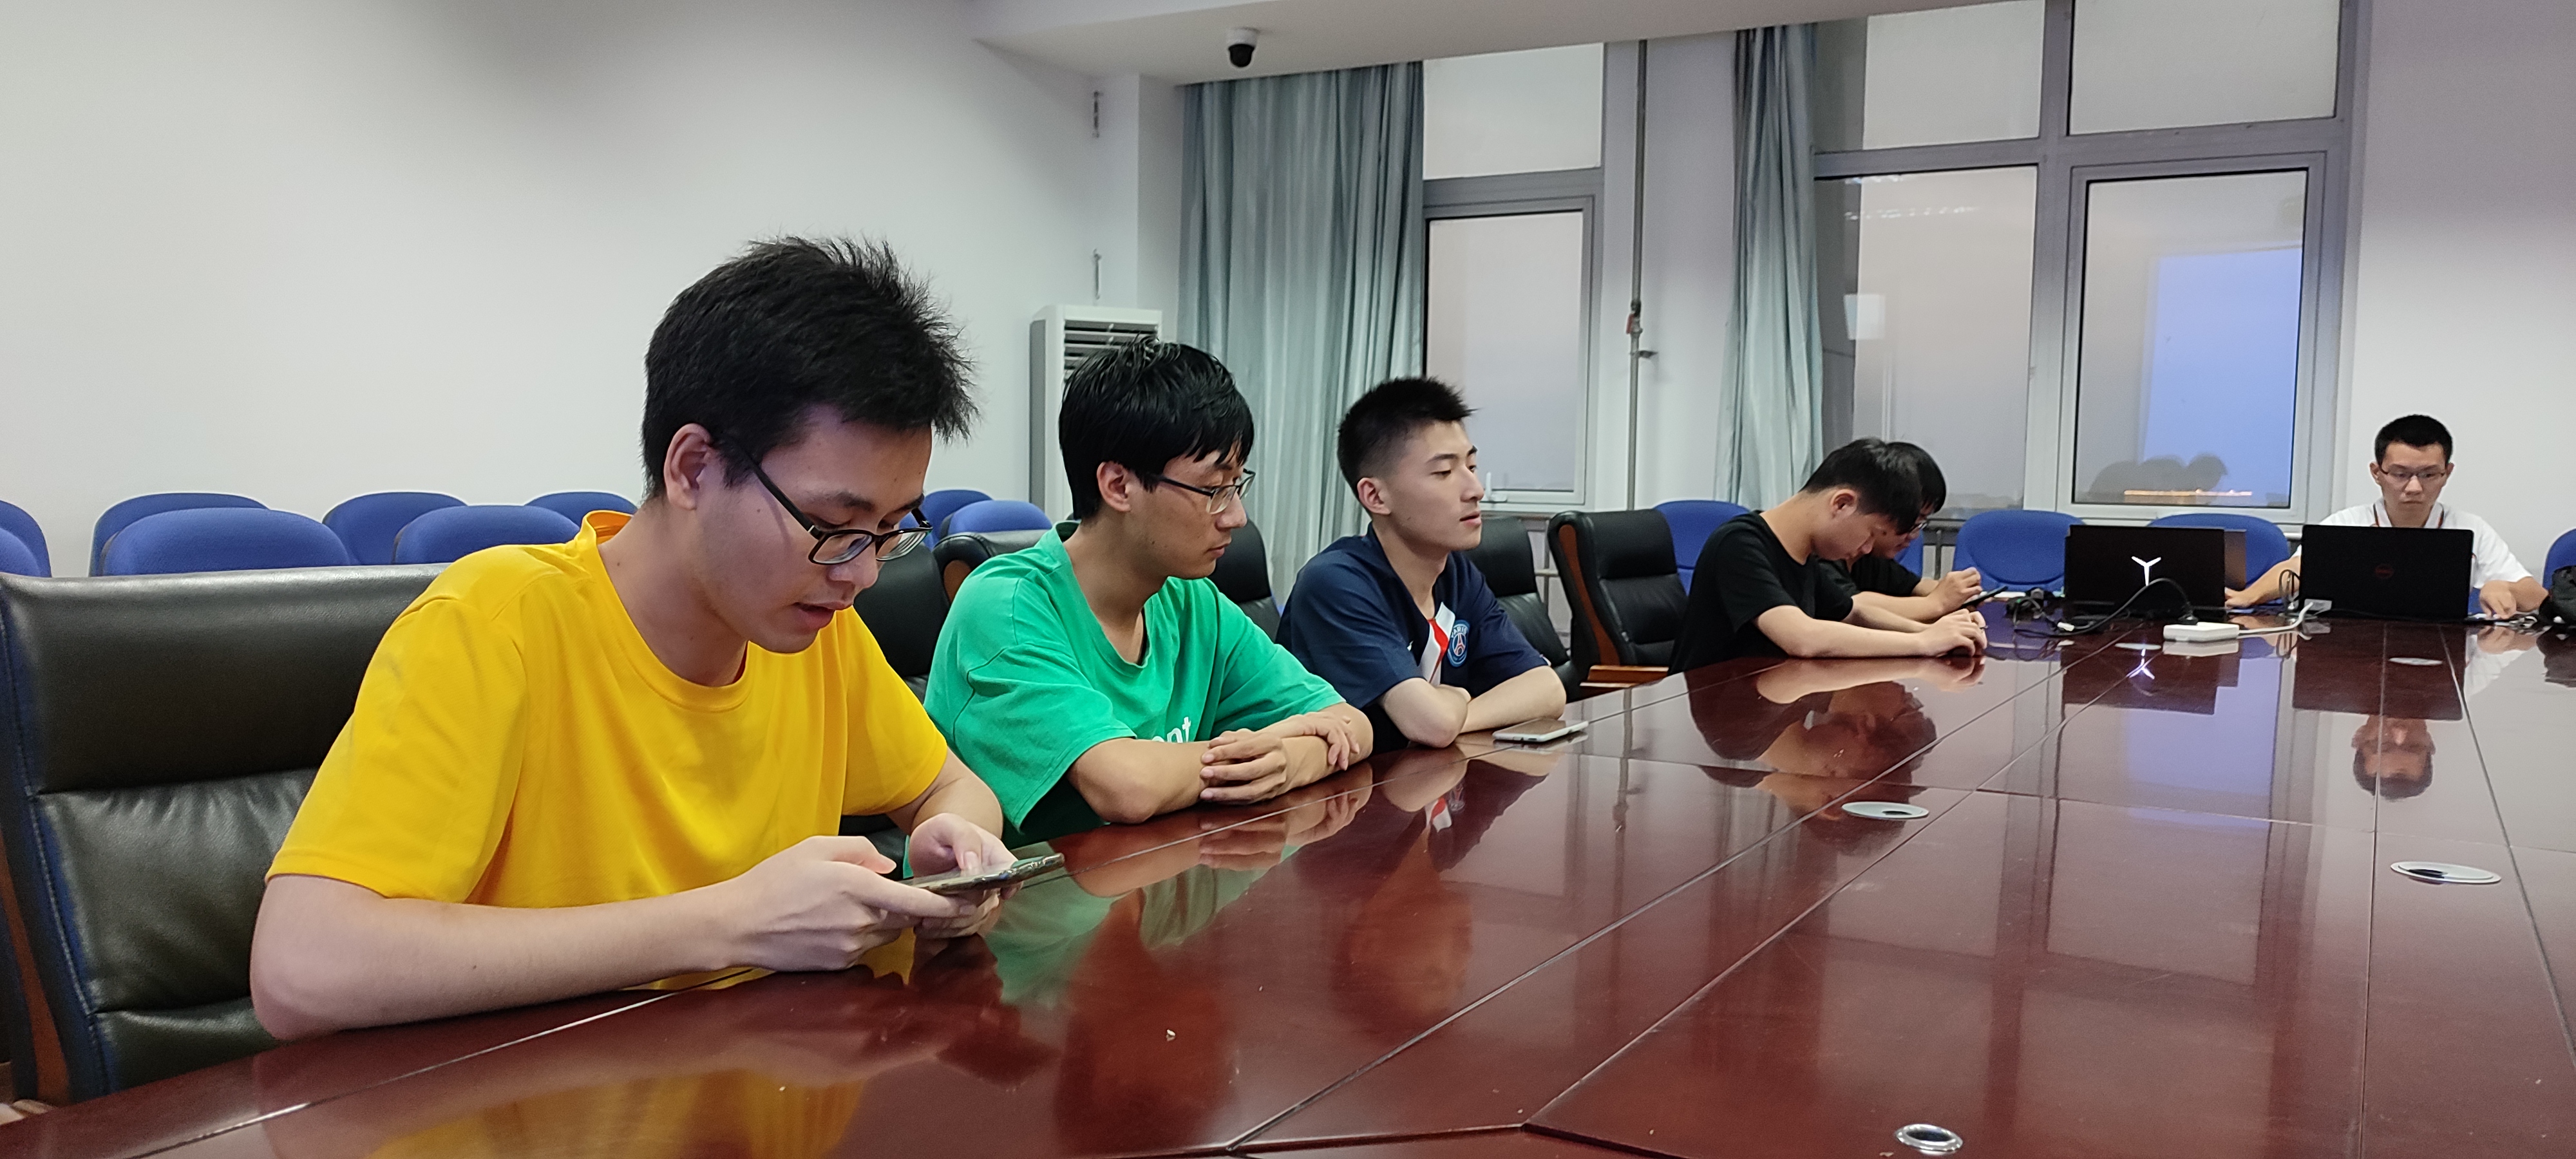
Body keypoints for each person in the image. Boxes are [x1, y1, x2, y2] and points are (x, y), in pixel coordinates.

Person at [251, 239, 1018, 1041]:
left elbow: (952, 789)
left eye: (890, 530)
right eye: (832, 526)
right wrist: (733, 923)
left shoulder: (814, 628)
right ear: (691, 468)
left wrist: (956, 842)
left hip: (760, 1079)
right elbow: (302, 968)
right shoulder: (497, 623)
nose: (860, 574)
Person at [925, 341, 1370, 842]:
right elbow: (1127, 787)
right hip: (1025, 890)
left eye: (1237, 486)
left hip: (1160, 876)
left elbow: (1351, 724)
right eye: (1214, 490)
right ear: (1119, 486)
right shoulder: (1005, 606)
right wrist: (1283, 738)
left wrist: (1285, 758)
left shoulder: (1192, 602)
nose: (1236, 517)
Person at [1278, 377, 1566, 753]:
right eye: (1444, 473)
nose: (1475, 490)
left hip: (1423, 778)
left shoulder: (1457, 573)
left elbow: (1547, 689)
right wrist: (1449, 708)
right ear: (1375, 496)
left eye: (1472, 466)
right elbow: (1428, 723)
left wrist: (1457, 709)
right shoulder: (1335, 582)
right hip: (1337, 787)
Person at [1668, 439, 1989, 670]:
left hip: (1767, 704)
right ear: (1842, 504)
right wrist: (1924, 643)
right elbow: (1803, 637)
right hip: (1719, 716)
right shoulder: (1740, 544)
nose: (1867, 549)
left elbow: (1853, 613)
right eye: (1871, 534)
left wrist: (1937, 631)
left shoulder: (1804, 555)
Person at [2230, 414, 2544, 615]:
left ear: (2447, 473)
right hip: (2349, 651)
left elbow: (2536, 597)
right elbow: (2296, 569)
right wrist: (2249, 596)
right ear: (2376, 473)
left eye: (2429, 475)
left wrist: (2505, 588)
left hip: (2441, 652)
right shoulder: (2346, 523)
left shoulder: (2471, 528)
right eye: (2400, 474)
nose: (2414, 487)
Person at [1826, 441, 1983, 624]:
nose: (1913, 535)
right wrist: (1936, 604)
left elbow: (1913, 586)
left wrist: (1957, 593)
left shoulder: (1868, 557)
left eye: (1918, 523)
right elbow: (1852, 607)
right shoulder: (1823, 553)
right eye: (1910, 522)